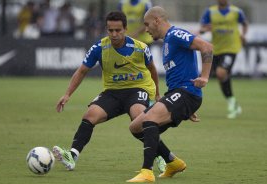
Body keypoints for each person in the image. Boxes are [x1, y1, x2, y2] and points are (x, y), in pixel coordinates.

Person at [53, 11, 162, 171]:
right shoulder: (99, 47)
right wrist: (67, 94)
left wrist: (157, 94)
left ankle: (161, 156)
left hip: (138, 88)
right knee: (90, 115)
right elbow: (82, 71)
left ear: (125, 29)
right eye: (110, 30)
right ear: (106, 29)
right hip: (113, 91)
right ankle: (72, 156)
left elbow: (152, 69)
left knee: (139, 117)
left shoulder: (140, 48)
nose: (114, 34)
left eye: (118, 30)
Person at [127, 6, 213, 182]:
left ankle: (147, 172)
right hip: (179, 95)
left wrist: (204, 77)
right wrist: (184, 107)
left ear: (157, 20)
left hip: (186, 92)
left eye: (147, 24)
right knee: (136, 127)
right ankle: (173, 162)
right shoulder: (167, 41)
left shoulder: (175, 34)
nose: (146, 29)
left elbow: (207, 46)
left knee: (150, 119)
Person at [199, 0, 248, 119]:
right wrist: (205, 29)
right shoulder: (210, 12)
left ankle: (232, 104)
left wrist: (243, 35)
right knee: (222, 77)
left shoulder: (237, 12)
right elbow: (203, 27)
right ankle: (233, 103)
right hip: (216, 49)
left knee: (221, 73)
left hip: (231, 48)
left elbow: (244, 23)